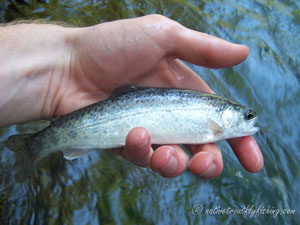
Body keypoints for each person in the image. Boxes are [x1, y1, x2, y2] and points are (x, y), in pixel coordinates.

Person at [0, 14, 263, 179]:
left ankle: (35, 144)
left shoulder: (216, 121)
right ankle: (34, 145)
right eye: (246, 115)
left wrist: (68, 60)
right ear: (225, 114)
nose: (250, 119)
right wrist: (69, 60)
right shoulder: (214, 120)